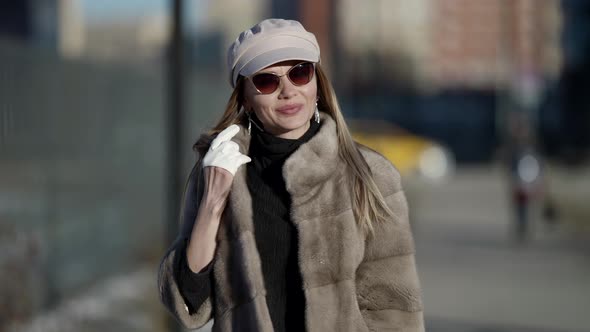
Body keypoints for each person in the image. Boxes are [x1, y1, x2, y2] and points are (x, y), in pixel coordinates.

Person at [158, 18, 424, 331]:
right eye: (267, 81)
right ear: (245, 97)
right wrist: (212, 204)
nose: (288, 91)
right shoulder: (219, 171)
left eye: (299, 73)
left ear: (316, 82)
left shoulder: (369, 173)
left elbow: (394, 307)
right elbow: (191, 302)